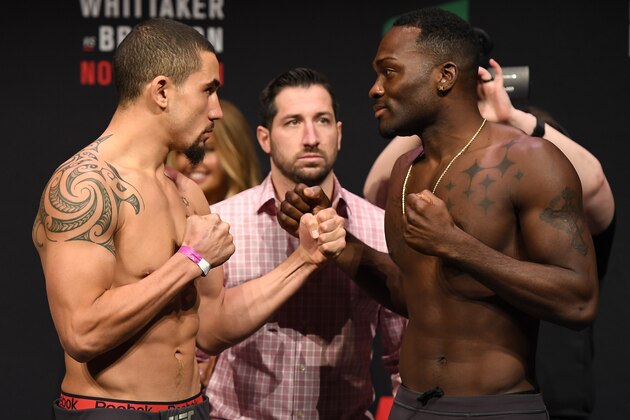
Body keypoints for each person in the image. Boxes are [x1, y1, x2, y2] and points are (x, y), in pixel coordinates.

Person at [278, 8, 598, 419]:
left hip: (495, 408)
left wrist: (458, 246)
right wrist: (337, 241)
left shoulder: (529, 161)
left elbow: (579, 302)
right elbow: (411, 293)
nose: (375, 89)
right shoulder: (406, 170)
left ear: (444, 76)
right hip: (411, 404)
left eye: (389, 72)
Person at [31, 18, 346, 420]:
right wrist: (190, 259)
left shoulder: (185, 193)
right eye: (208, 90)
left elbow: (211, 327)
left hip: (192, 409)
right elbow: (81, 332)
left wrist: (305, 259)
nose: (216, 111)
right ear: (162, 91)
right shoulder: (84, 186)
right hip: (112, 412)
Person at [363, 56, 616, 419]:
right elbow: (376, 186)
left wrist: (514, 118)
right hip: (421, 400)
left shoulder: (543, 164)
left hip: (549, 398)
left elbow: (593, 180)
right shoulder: (419, 172)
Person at [205, 67, 407, 419]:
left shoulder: (377, 226)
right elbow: (195, 350)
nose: (311, 137)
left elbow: (401, 359)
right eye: (293, 122)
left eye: (323, 121)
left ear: (339, 134)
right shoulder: (221, 223)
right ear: (265, 138)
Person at [168, 98, 260, 206]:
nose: (193, 161)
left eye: (207, 149)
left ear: (236, 152)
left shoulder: (256, 217)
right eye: (186, 151)